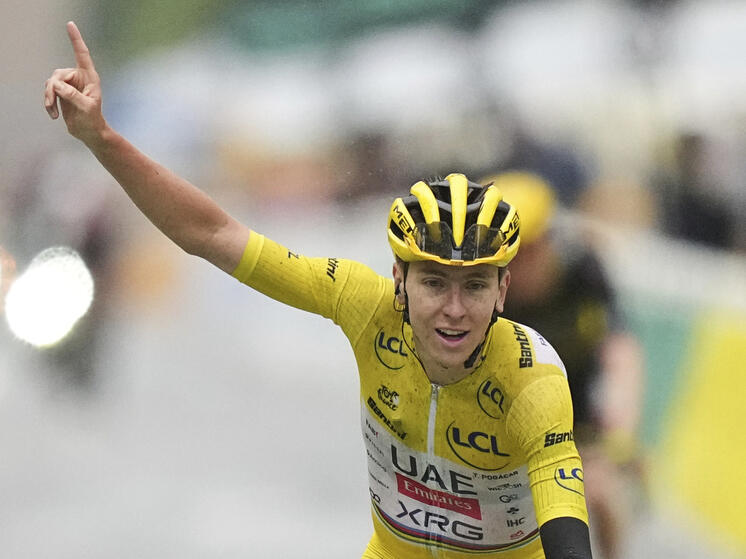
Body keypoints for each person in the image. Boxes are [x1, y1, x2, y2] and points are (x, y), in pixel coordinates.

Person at [44, 22, 593, 559]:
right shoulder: (364, 304)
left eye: (474, 286)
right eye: (433, 282)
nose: (453, 310)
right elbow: (211, 234)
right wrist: (102, 138)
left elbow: (566, 522)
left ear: (503, 291)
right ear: (398, 281)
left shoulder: (531, 378)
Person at [489, 171, 645, 559]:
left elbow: (621, 353)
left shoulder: (582, 271)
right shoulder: (487, 292)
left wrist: (620, 432)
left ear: (546, 240)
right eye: (505, 257)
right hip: (508, 418)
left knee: (601, 494)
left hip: (577, 412)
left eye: (526, 252)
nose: (515, 269)